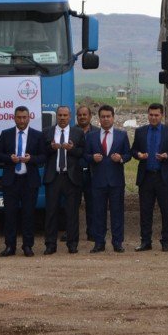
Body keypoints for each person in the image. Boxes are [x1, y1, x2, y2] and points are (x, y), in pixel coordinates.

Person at [0, 106, 45, 257]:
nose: (22, 120)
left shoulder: (38, 135)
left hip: (29, 181)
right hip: (11, 181)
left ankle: (27, 246)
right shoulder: (5, 134)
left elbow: (43, 157)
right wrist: (9, 158)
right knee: (10, 215)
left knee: (28, 215)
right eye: (19, 117)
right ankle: (10, 246)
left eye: (24, 117)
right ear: (14, 118)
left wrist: (32, 159)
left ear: (29, 117)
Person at [131, 103, 168, 252]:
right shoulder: (140, 132)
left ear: (162, 115)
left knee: (166, 211)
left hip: (164, 178)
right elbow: (133, 150)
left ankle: (166, 241)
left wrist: (167, 155)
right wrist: (138, 155)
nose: (153, 117)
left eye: (156, 115)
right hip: (146, 177)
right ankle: (146, 241)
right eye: (151, 115)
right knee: (145, 211)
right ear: (148, 115)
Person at [84, 104, 131, 253]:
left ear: (113, 118)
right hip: (97, 181)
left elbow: (129, 155)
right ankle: (99, 243)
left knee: (117, 213)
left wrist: (121, 158)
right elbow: (85, 155)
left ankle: (117, 242)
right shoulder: (91, 136)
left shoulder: (121, 135)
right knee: (98, 213)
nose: (105, 119)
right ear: (99, 119)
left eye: (108, 116)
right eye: (103, 117)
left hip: (116, 181)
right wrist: (92, 158)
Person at [43, 106, 84, 254]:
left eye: (65, 115)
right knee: (51, 212)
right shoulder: (47, 131)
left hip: (71, 177)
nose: (62, 118)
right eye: (60, 115)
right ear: (56, 117)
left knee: (72, 213)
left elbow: (82, 153)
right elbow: (42, 153)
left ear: (70, 117)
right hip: (53, 177)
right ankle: (50, 244)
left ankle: (72, 244)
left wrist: (72, 149)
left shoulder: (78, 133)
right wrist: (51, 148)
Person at [76, 105, 97, 244]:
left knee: (92, 204)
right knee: (72, 205)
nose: (83, 117)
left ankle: (92, 232)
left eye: (85, 114)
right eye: (80, 115)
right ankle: (71, 232)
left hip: (92, 173)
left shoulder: (97, 132)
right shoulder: (71, 131)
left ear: (90, 116)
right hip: (75, 173)